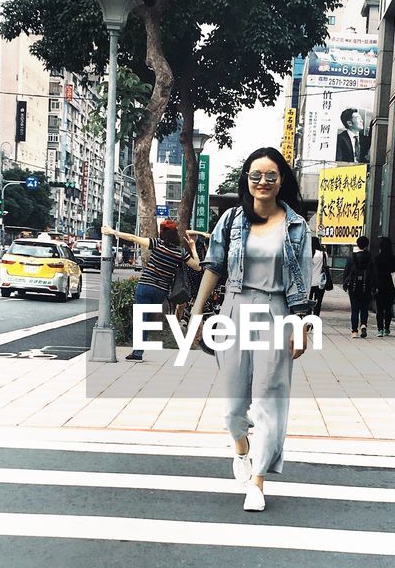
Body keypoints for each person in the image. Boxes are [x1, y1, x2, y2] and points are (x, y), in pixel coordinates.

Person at [190, 148, 314, 513]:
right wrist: (197, 313)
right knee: (232, 408)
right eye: (255, 175)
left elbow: (302, 280)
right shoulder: (231, 220)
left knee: (268, 401)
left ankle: (258, 481)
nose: (263, 182)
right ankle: (242, 450)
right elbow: (212, 267)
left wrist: (301, 323)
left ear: (281, 182)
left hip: (277, 311)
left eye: (271, 176)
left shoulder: (296, 225)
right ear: (247, 180)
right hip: (234, 308)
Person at [101, 218, 200, 361]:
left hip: (146, 286)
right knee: (145, 319)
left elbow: (133, 237)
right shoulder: (180, 252)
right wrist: (193, 248)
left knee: (141, 318)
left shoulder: (157, 244)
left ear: (162, 232)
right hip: (161, 292)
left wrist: (113, 232)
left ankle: (138, 352)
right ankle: (138, 350)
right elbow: (197, 266)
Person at [342, 235, 374, 338]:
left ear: (358, 244)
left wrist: (345, 283)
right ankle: (363, 324)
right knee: (364, 307)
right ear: (367, 245)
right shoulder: (371, 257)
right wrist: (374, 286)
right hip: (367, 286)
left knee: (354, 308)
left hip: (353, 286)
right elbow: (375, 273)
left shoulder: (352, 257)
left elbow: (346, 271)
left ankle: (354, 331)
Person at [373, 236, 395, 337]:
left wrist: (373, 286)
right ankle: (387, 328)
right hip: (391, 286)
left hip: (379, 286)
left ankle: (380, 329)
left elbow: (374, 274)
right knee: (388, 307)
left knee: (379, 308)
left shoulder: (377, 259)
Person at [310, 236, 332, 316]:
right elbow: (326, 265)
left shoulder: (308, 254)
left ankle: (307, 317)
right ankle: (315, 316)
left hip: (309, 282)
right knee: (318, 302)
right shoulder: (323, 254)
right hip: (320, 282)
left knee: (307, 302)